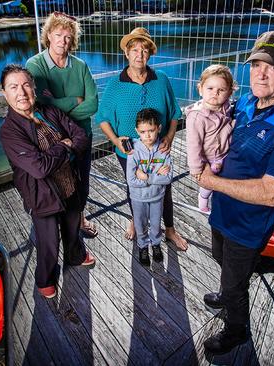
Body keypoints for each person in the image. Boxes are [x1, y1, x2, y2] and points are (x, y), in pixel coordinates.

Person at [198, 31, 274, 354]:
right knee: (219, 258)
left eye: (273, 65)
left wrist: (210, 181)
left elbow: (270, 193)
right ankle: (226, 293)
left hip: (248, 225)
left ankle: (237, 329)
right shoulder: (248, 99)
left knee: (237, 283)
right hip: (221, 210)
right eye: (255, 65)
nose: (260, 73)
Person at [0, 64, 95, 299]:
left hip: (70, 183)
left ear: (33, 87)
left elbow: (80, 136)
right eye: (13, 87)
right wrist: (65, 145)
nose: (21, 92)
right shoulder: (9, 131)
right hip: (41, 194)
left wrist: (64, 149)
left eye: (26, 85)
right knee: (48, 241)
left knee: (73, 228)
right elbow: (39, 168)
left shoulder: (50, 112)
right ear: (5, 94)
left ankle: (75, 255)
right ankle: (45, 278)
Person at [97, 27, 188, 251]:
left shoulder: (162, 79)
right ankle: (135, 221)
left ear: (150, 54)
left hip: (159, 148)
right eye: (135, 50)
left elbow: (175, 113)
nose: (140, 54)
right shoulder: (115, 85)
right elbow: (102, 119)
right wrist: (116, 141)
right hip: (128, 150)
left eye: (145, 50)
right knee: (133, 186)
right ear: (126, 54)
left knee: (164, 187)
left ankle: (169, 229)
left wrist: (169, 136)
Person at [26, 11, 99, 238]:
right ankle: (54, 222)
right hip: (51, 140)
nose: (63, 41)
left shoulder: (80, 66)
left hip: (81, 137)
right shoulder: (35, 64)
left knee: (82, 181)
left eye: (68, 37)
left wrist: (57, 105)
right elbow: (41, 103)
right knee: (55, 182)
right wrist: (72, 101)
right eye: (58, 35)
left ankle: (79, 217)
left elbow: (93, 103)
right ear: (48, 35)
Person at [185, 64, 236, 212]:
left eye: (221, 90)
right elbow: (193, 144)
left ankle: (219, 202)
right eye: (210, 88)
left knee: (224, 184)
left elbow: (225, 125)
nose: (215, 93)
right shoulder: (197, 117)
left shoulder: (226, 107)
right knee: (207, 186)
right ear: (200, 89)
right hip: (208, 159)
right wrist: (195, 167)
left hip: (224, 153)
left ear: (229, 92)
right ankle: (203, 201)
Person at [126, 108, 173, 266]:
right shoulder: (133, 151)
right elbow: (131, 180)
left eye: (151, 131)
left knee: (155, 223)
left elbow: (167, 178)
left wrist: (146, 177)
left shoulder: (164, 150)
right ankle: (142, 245)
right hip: (138, 197)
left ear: (158, 128)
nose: (147, 135)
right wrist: (155, 176)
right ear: (137, 131)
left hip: (157, 196)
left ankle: (156, 244)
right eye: (143, 131)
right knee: (140, 224)